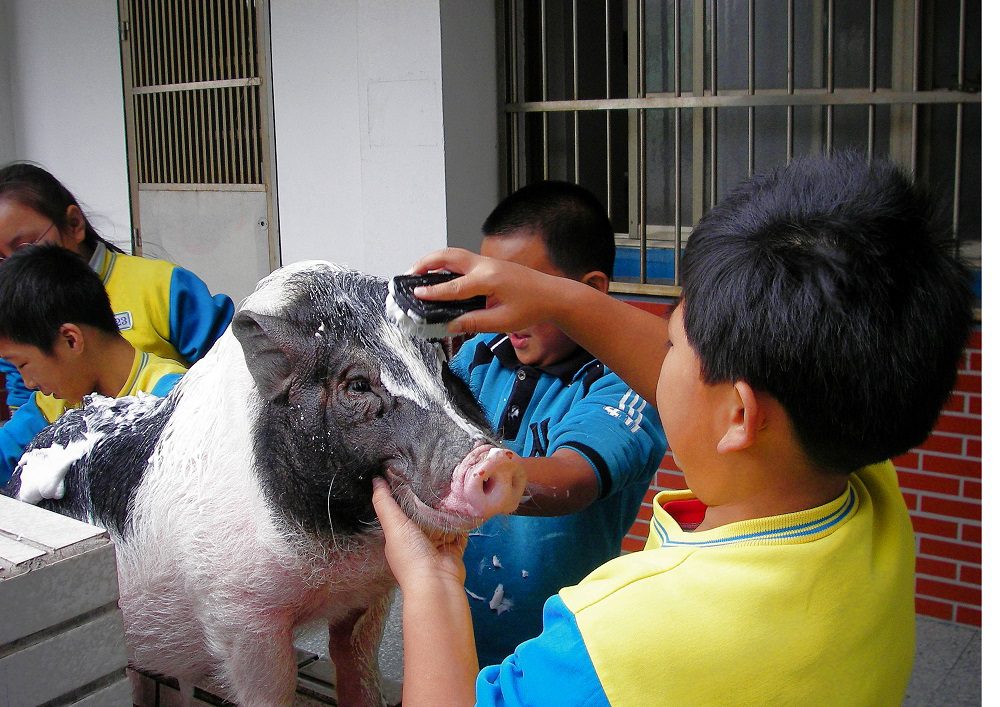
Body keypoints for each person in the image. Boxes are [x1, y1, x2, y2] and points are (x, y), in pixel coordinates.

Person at [372, 152, 974, 705]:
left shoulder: (616, 643)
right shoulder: (862, 473)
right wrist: (551, 296)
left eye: (676, 343)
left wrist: (430, 578)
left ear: (739, 416)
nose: (659, 358)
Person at [449, 180, 666, 667]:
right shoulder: (480, 357)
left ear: (587, 294)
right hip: (458, 646)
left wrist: (459, 482)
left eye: (522, 292)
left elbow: (572, 480)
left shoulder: (625, 383)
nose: (504, 313)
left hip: (560, 658)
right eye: (493, 292)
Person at [0, 162, 233, 412]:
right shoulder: (17, 318)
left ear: (74, 224)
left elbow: (232, 370)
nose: (13, 266)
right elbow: (26, 408)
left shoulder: (160, 286)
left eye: (24, 246)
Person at [0, 246, 188, 485]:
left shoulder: (171, 401)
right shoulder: (51, 407)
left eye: (23, 364)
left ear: (71, 339)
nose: (28, 383)